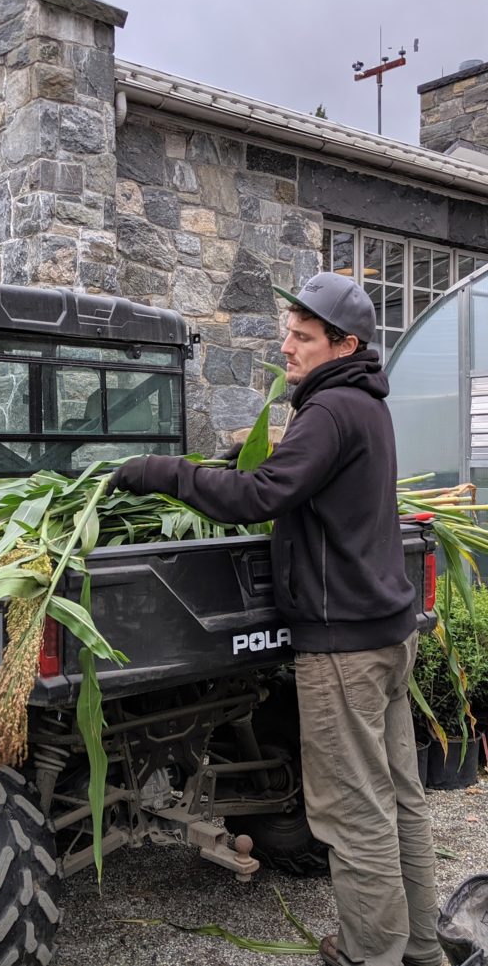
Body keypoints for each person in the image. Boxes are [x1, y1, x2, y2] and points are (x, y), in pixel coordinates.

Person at [109, 272, 440, 966]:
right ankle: (419, 948)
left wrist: (166, 472)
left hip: (343, 647)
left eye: (302, 336)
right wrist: (241, 458)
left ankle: (370, 953)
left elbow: (259, 497)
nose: (285, 345)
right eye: (287, 330)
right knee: (398, 795)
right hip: (386, 634)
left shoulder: (331, 410)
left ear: (344, 343)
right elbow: (297, 478)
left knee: (354, 810)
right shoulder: (365, 404)